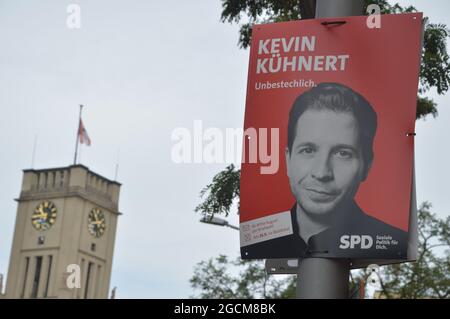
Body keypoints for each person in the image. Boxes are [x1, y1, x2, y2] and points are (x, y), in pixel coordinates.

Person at [242, 82, 408, 260]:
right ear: (287, 159)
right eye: (308, 150)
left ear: (367, 166)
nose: (322, 173)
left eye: (343, 153)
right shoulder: (259, 239)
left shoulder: (394, 242)